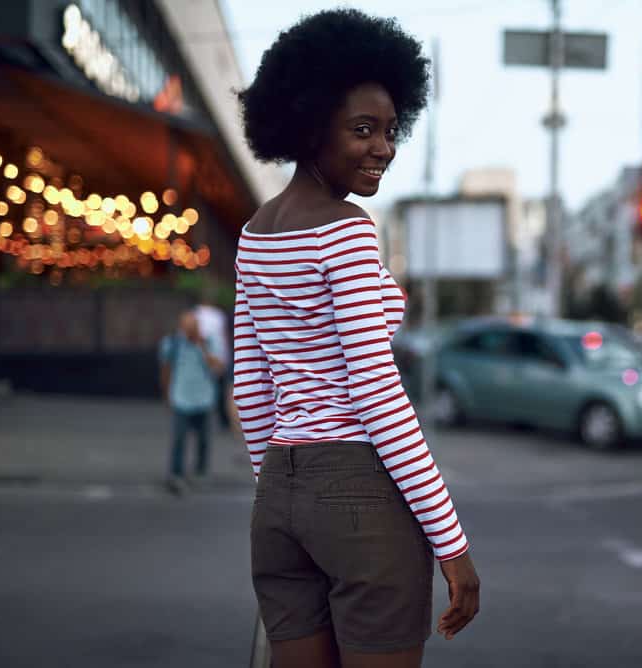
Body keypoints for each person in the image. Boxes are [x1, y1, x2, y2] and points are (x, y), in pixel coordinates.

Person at [234, 9, 478, 667]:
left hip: (280, 495)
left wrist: (281, 492)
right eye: (362, 129)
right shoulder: (346, 229)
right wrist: (450, 542)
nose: (384, 147)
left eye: (391, 130)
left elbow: (252, 384)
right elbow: (377, 393)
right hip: (359, 487)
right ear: (309, 124)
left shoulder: (254, 235)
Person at [159, 309, 224, 495]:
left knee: (204, 439)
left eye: (192, 326)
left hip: (204, 397)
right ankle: (176, 473)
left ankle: (200, 471)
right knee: (179, 438)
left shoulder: (209, 341)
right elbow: (165, 369)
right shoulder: (172, 343)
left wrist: (201, 345)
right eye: (185, 326)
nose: (188, 330)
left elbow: (218, 367)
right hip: (181, 397)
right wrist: (166, 395)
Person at [194, 288, 231, 429]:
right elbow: (224, 336)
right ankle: (223, 420)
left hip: (204, 356)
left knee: (203, 388)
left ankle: (201, 420)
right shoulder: (218, 314)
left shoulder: (196, 314)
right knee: (220, 389)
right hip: (218, 354)